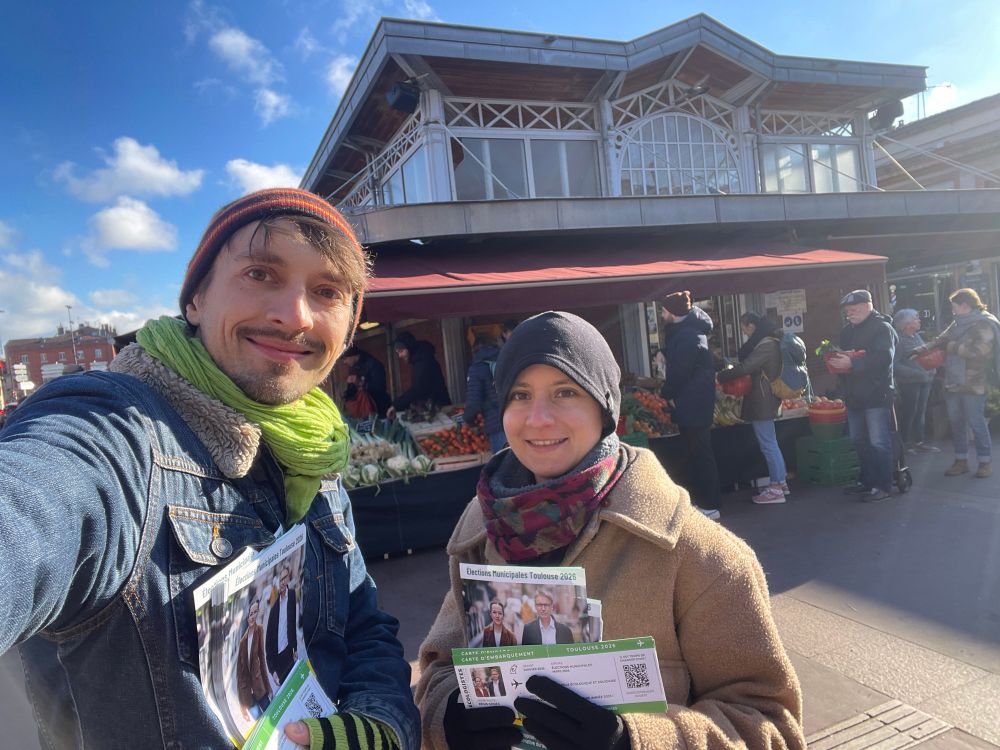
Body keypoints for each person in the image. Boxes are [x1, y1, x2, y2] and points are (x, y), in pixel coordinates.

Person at [0, 188, 418, 750]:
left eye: (327, 291)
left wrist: (382, 721)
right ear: (195, 300)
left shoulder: (314, 447)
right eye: (260, 274)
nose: (294, 315)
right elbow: (31, 507)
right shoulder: (115, 431)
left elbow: (362, 621)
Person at [416, 311, 804, 750]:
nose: (538, 418)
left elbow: (772, 726)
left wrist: (635, 741)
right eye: (520, 395)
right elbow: (440, 669)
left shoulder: (701, 556)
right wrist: (447, 716)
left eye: (565, 392)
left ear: (605, 410)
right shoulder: (481, 532)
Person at [914, 288, 1000, 478]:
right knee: (956, 423)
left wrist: (951, 347)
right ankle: (961, 460)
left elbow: (980, 352)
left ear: (966, 306)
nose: (952, 310)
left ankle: (985, 462)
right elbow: (941, 339)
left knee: (976, 423)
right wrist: (920, 350)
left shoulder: (984, 324)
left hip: (975, 382)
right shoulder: (957, 322)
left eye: (954, 306)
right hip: (953, 380)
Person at [658, 291, 722, 519]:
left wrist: (666, 392)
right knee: (698, 452)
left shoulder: (688, 335)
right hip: (694, 401)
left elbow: (681, 371)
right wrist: (664, 352)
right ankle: (706, 502)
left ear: (673, 312)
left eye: (664, 310)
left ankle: (709, 504)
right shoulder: (686, 332)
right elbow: (681, 357)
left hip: (694, 402)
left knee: (700, 453)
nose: (662, 314)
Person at [831, 289, 897, 503]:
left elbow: (884, 359)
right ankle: (867, 481)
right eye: (848, 310)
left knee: (879, 442)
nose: (850, 313)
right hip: (854, 395)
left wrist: (852, 363)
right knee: (858, 440)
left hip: (876, 395)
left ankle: (884, 485)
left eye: (855, 308)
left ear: (869, 305)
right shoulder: (847, 331)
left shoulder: (882, 328)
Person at [717, 313, 789, 504]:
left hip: (762, 399)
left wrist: (722, 376)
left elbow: (746, 367)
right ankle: (781, 483)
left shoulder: (766, 344)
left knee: (768, 444)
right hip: (766, 397)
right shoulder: (772, 340)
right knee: (771, 442)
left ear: (752, 326)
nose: (744, 333)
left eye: (744, 328)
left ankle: (776, 489)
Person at [892, 309, 938, 455]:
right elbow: (895, 365)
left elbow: (924, 355)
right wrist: (917, 373)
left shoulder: (916, 336)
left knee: (921, 412)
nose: (919, 321)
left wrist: (932, 367)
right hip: (909, 383)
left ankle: (919, 442)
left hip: (925, 381)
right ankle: (905, 443)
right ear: (907, 323)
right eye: (916, 318)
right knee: (909, 413)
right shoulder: (898, 340)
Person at [387, 330, 451, 417]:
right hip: (435, 407)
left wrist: (396, 405)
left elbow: (417, 389)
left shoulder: (423, 362)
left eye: (401, 351)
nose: (400, 356)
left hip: (438, 409)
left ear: (409, 347)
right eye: (398, 352)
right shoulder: (420, 359)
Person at [464, 334, 505, 452]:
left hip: (496, 424)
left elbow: (473, 402)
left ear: (474, 350)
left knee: (502, 465)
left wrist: (468, 420)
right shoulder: (505, 359)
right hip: (515, 419)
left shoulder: (477, 368)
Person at [237, 597, 271, 719]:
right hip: (248, 696)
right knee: (261, 725)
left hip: (260, 689)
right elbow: (239, 675)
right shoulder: (242, 642)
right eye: (251, 614)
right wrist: (242, 706)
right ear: (247, 616)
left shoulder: (259, 630)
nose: (253, 616)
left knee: (272, 717)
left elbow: (262, 659)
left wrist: (268, 687)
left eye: (255, 613)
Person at [266, 564, 299, 685]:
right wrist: (272, 671)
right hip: (278, 658)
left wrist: (295, 648)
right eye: (280, 579)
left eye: (285, 578)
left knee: (296, 685)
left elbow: (292, 624)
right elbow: (268, 644)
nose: (282, 582)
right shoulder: (273, 609)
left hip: (289, 652)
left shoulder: (292, 595)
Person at [341, 345, 390, 417]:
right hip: (361, 410)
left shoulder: (373, 364)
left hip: (378, 407)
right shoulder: (352, 368)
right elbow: (352, 391)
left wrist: (361, 383)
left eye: (345, 358)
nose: (345, 362)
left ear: (353, 355)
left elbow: (380, 386)